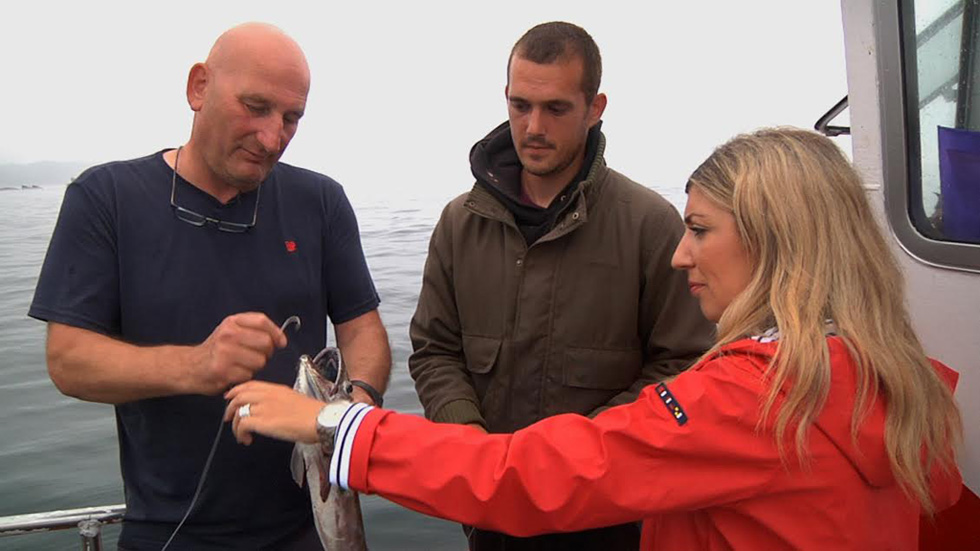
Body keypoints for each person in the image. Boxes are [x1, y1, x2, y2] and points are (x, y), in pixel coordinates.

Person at [224, 128, 964, 550]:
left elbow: (530, 474)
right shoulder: (884, 376)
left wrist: (334, 423)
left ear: (777, 241)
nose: (680, 255)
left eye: (700, 230)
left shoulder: (758, 398)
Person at [28, 23, 391, 550]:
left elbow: (362, 329)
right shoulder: (105, 197)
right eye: (255, 107)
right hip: (165, 531)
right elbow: (68, 360)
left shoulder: (322, 201)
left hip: (309, 526)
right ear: (199, 87)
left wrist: (348, 414)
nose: (272, 138)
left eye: (291, 118)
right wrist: (196, 365)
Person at [408, 21, 714, 549]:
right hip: (490, 515)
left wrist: (572, 456)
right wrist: (467, 439)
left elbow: (684, 367)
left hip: (608, 519)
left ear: (595, 108)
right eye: (520, 105)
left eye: (555, 109)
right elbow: (435, 351)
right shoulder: (460, 223)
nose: (533, 127)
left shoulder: (651, 225)